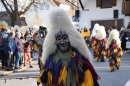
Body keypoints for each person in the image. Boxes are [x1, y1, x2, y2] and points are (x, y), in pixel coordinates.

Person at [37, 8, 100, 86]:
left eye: (65, 38)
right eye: (59, 39)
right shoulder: (51, 59)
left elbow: (89, 79)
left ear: (70, 38)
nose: (62, 42)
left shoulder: (79, 57)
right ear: (54, 41)